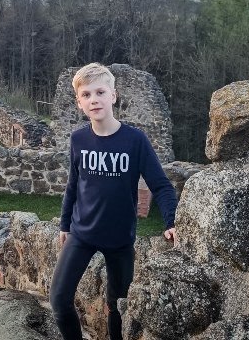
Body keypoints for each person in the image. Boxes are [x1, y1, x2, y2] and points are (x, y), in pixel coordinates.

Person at [49, 63, 179, 340]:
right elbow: (74, 185)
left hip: (120, 238)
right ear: (79, 102)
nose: (93, 99)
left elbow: (161, 185)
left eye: (100, 92)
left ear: (113, 96)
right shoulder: (78, 139)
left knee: (117, 307)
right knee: (59, 300)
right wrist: (64, 224)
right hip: (81, 233)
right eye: (86, 94)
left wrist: (171, 221)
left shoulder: (135, 141)